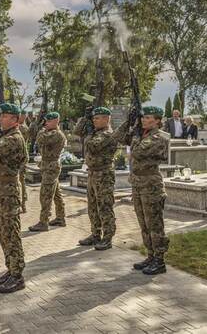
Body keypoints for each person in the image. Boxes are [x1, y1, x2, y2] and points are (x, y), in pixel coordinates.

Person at [116, 106, 170, 275]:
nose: (144, 120)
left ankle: (160, 261)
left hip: (151, 186)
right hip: (138, 185)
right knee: (144, 224)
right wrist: (129, 121)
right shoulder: (141, 133)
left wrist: (136, 132)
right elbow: (117, 137)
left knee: (154, 224)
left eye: (148, 118)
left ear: (157, 121)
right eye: (143, 118)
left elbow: (138, 152)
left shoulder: (160, 137)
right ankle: (151, 255)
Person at [0, 103, 27, 293]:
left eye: (4, 116)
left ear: (15, 119)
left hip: (9, 192)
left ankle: (18, 276)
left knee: (11, 233)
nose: (0, 119)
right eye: (0, 116)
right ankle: (11, 269)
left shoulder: (14, 139)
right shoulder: (4, 136)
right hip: (1, 190)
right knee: (3, 233)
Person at [73, 107, 118, 250]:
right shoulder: (95, 133)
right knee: (92, 206)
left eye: (97, 118)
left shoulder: (108, 134)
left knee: (104, 206)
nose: (94, 120)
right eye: (93, 118)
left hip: (104, 174)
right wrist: (85, 119)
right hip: (92, 173)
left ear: (106, 119)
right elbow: (77, 132)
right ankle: (95, 234)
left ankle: (107, 237)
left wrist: (89, 133)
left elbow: (92, 146)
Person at [29, 112, 66, 231]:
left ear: (56, 121)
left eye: (48, 121)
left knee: (45, 195)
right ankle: (60, 218)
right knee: (56, 194)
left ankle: (43, 222)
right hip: (48, 165)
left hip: (51, 166)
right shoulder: (50, 132)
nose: (46, 124)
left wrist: (41, 130)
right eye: (46, 121)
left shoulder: (57, 134)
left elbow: (40, 139)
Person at [18, 111, 30, 213]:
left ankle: (23, 204)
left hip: (22, 157)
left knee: (21, 181)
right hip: (16, 158)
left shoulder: (24, 128)